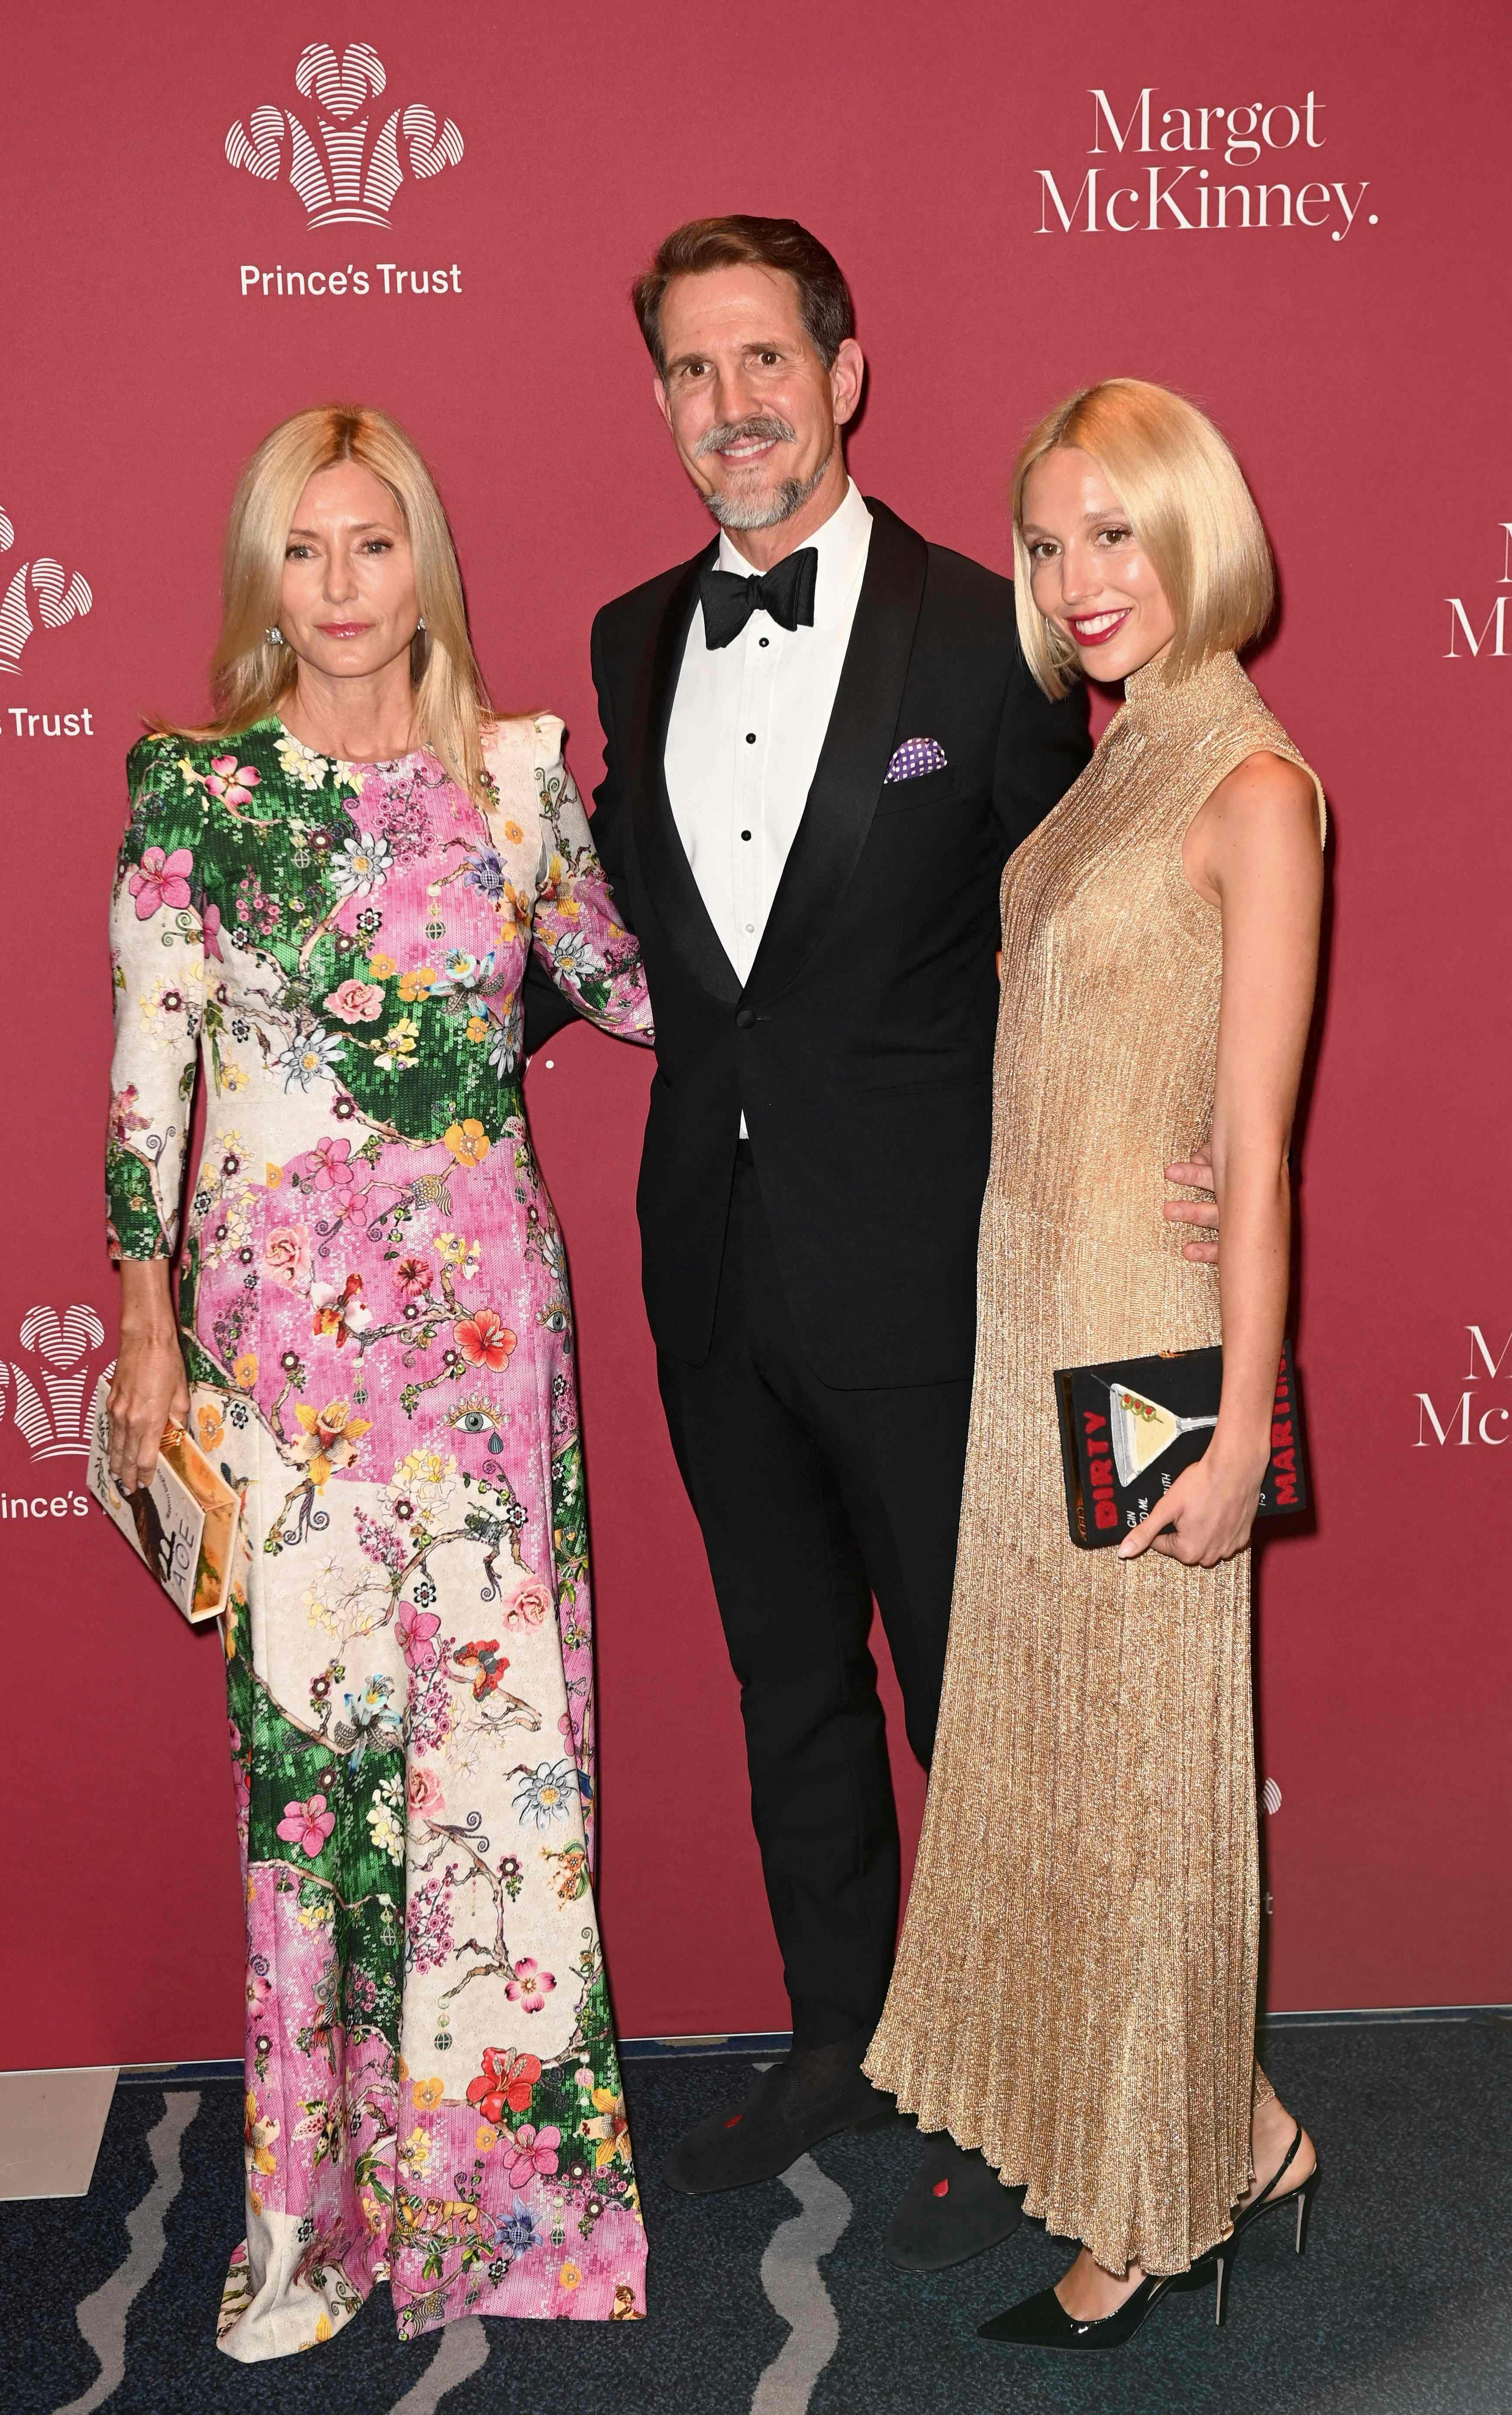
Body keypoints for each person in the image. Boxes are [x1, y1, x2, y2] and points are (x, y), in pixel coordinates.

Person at [523, 220, 1218, 2257]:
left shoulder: (987, 625)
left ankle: (1044, 2066)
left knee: (976, 1688)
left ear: (843, 369)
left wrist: (1170, 1131)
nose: (728, 405)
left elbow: (1100, 906)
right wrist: (378, 1012)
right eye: (686, 370)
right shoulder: (630, 637)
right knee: (786, 1685)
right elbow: (613, 935)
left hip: (937, 1268)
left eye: (763, 360)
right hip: (709, 1262)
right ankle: (847, 2029)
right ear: (657, 396)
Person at [103, 406, 651, 2357]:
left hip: (485, 1336)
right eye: (305, 552)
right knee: (313, 1779)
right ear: (268, 575)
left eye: (374, 545)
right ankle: (304, 2231)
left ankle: (506, 2214)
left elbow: (647, 984)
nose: (341, 590)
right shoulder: (195, 789)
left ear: (427, 561)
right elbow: (146, 1078)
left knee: (499, 1777)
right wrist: (145, 1312)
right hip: (283, 1358)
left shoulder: (517, 783)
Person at [865, 379, 1324, 2349]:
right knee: (1063, 1767)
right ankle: (1236, 2127)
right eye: (1048, 544)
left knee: (1143, 1778)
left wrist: (1232, 1435)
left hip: (1146, 1339)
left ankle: (1154, 2216)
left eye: (1111, 532)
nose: (1076, 579)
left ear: (1190, 529)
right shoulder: (1105, 768)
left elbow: (1255, 1142)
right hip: (1027, 1322)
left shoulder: (1254, 789)